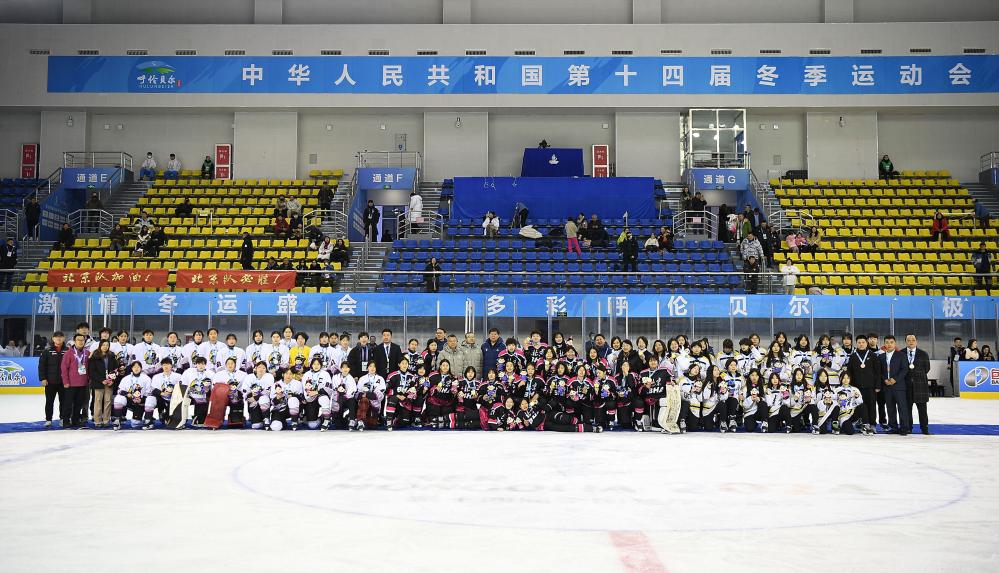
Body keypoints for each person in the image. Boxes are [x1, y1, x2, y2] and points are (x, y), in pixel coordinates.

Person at [880, 335, 911, 435]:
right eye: (887, 342)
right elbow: (880, 371)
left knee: (902, 408)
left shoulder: (901, 355)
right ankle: (893, 427)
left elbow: (904, 369)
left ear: (895, 343)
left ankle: (904, 428)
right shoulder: (881, 357)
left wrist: (895, 379)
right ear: (884, 344)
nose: (889, 344)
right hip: (887, 386)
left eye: (891, 342)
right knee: (890, 408)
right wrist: (884, 379)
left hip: (899, 386)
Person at [60, 333, 92, 428]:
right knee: (68, 404)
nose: (80, 342)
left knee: (79, 404)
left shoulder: (87, 353)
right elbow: (64, 368)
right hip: (71, 384)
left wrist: (88, 379)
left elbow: (90, 367)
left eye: (82, 340)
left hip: (83, 383)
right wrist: (65, 381)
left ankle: (75, 420)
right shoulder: (68, 353)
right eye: (78, 340)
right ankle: (66, 421)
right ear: (74, 341)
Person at [903, 334, 931, 435]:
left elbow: (927, 368)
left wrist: (916, 377)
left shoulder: (923, 354)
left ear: (916, 341)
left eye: (913, 340)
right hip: (906, 386)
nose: (911, 342)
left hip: (920, 386)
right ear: (905, 341)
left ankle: (924, 428)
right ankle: (908, 428)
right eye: (909, 340)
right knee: (907, 409)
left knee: (922, 409)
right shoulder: (901, 353)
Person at [87, 339, 120, 428]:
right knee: (98, 401)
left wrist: (112, 380)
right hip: (98, 382)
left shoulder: (111, 356)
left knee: (108, 401)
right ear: (100, 346)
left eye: (107, 345)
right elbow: (92, 371)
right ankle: (97, 421)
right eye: (103, 345)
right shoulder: (94, 356)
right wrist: (101, 380)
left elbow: (115, 369)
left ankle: (106, 420)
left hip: (109, 382)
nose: (105, 347)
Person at [38, 331, 67, 428]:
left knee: (64, 402)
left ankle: (62, 419)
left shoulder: (68, 350)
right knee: (49, 401)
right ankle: (48, 419)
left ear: (63, 338)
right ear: (53, 339)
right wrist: (43, 378)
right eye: (56, 337)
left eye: (60, 337)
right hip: (50, 382)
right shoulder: (47, 351)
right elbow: (42, 366)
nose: (58, 338)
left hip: (63, 382)